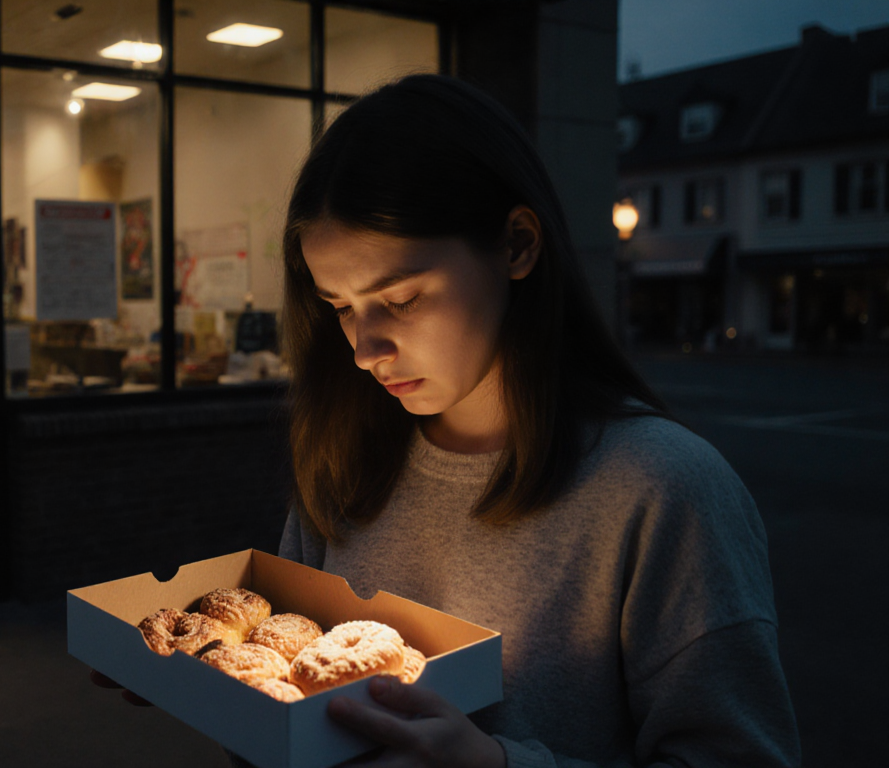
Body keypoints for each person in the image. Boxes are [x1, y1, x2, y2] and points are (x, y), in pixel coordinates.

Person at [97, 73, 800, 768]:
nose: (363, 350)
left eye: (399, 298)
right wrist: (214, 692)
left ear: (518, 245)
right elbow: (297, 737)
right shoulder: (350, 461)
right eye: (339, 305)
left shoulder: (664, 491)